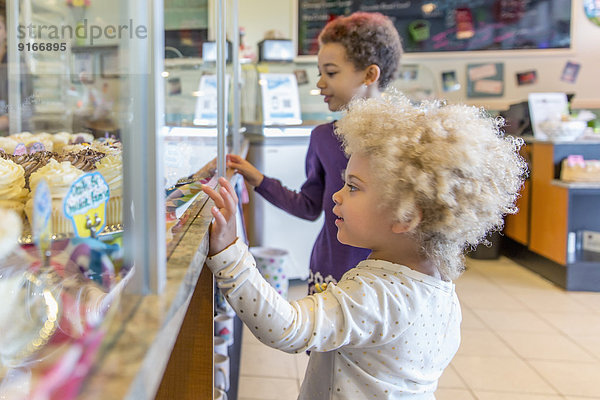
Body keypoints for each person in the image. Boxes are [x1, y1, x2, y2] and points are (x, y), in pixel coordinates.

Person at [202, 93, 526, 399]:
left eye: (353, 187)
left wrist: (230, 252)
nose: (336, 196)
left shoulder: (376, 293)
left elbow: (287, 327)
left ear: (406, 216)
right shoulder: (441, 289)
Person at [227, 12, 403, 294]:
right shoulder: (323, 137)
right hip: (330, 270)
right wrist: (257, 178)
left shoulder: (409, 140)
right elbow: (310, 207)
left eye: (331, 73)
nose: (320, 83)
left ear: (370, 74)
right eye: (319, 72)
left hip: (388, 278)